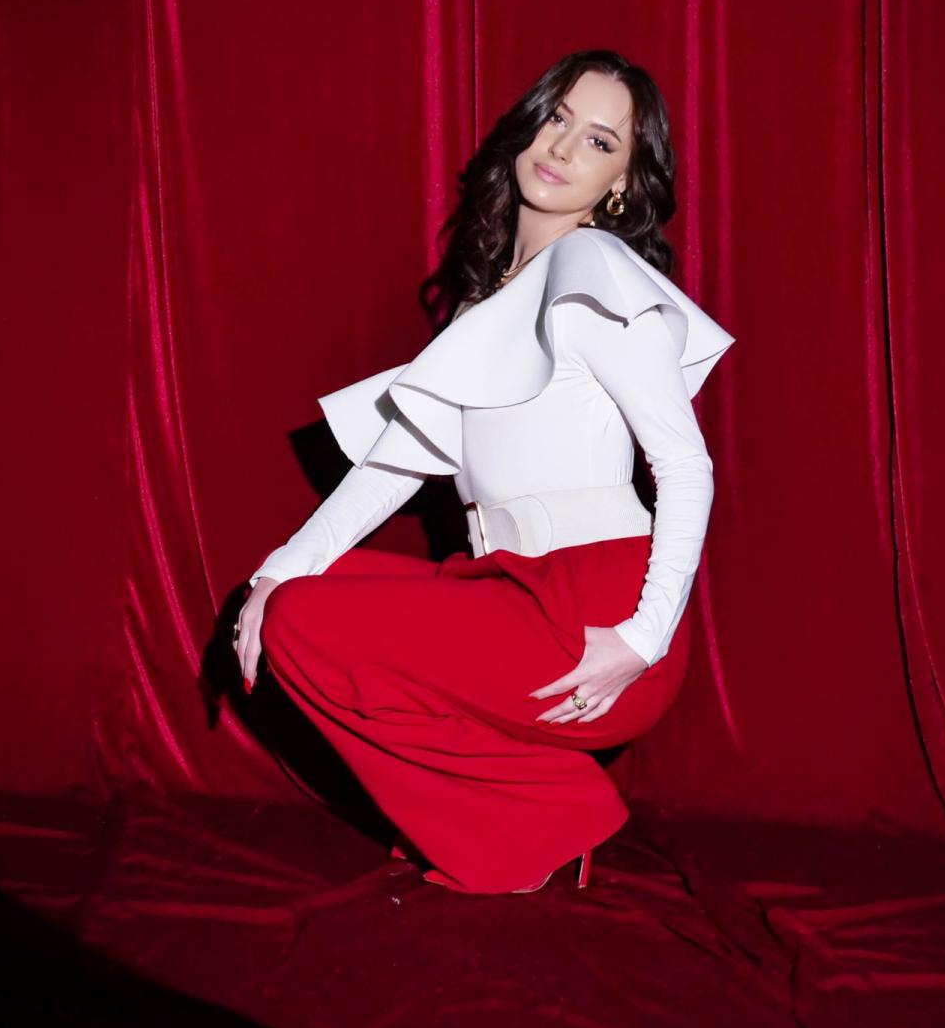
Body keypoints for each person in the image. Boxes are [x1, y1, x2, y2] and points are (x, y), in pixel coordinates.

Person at [231, 49, 735, 895]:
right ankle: (533, 816)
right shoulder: (490, 304)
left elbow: (686, 465)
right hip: (512, 588)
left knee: (303, 623)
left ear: (619, 184)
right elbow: (391, 468)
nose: (564, 146)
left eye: (600, 140)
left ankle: (550, 814)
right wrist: (275, 574)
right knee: (305, 601)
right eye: (558, 118)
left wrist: (642, 639)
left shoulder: (595, 266)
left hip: (599, 608)